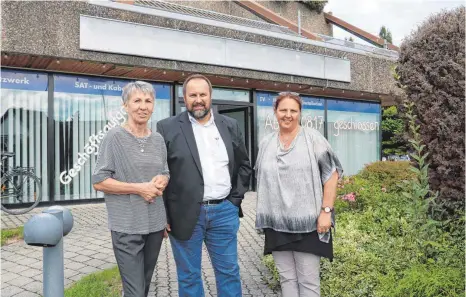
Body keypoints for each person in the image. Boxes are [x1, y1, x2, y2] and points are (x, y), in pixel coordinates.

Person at [156, 74, 252, 297]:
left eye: (202, 94)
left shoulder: (229, 125)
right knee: (189, 276)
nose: (198, 100)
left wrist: (233, 201)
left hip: (223, 212)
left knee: (229, 272)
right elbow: (160, 173)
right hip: (184, 214)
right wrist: (163, 214)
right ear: (184, 98)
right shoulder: (167, 128)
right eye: (193, 95)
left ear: (210, 96)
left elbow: (244, 166)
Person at [254, 92, 343, 297]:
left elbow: (331, 175)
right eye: (283, 110)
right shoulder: (266, 143)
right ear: (275, 112)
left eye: (293, 111)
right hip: (276, 223)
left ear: (300, 113)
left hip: (309, 223)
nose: (288, 115)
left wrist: (326, 211)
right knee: (286, 279)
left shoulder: (314, 139)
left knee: (308, 282)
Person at [92, 81, 169, 297]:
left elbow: (165, 171)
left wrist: (163, 179)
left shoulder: (158, 139)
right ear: (125, 106)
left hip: (154, 224)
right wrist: (139, 189)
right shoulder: (114, 137)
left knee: (143, 285)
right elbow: (99, 180)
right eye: (137, 101)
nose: (143, 106)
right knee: (135, 291)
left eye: (148, 101)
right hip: (126, 226)